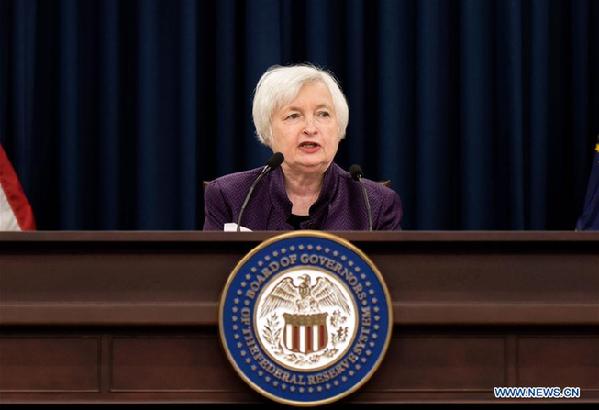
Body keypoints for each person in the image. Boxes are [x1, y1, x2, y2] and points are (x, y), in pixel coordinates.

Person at [203, 64, 402, 231]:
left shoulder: (375, 203)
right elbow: (212, 275)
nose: (310, 128)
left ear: (339, 127)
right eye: (293, 116)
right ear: (268, 130)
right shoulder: (230, 196)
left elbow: (389, 277)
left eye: (323, 114)